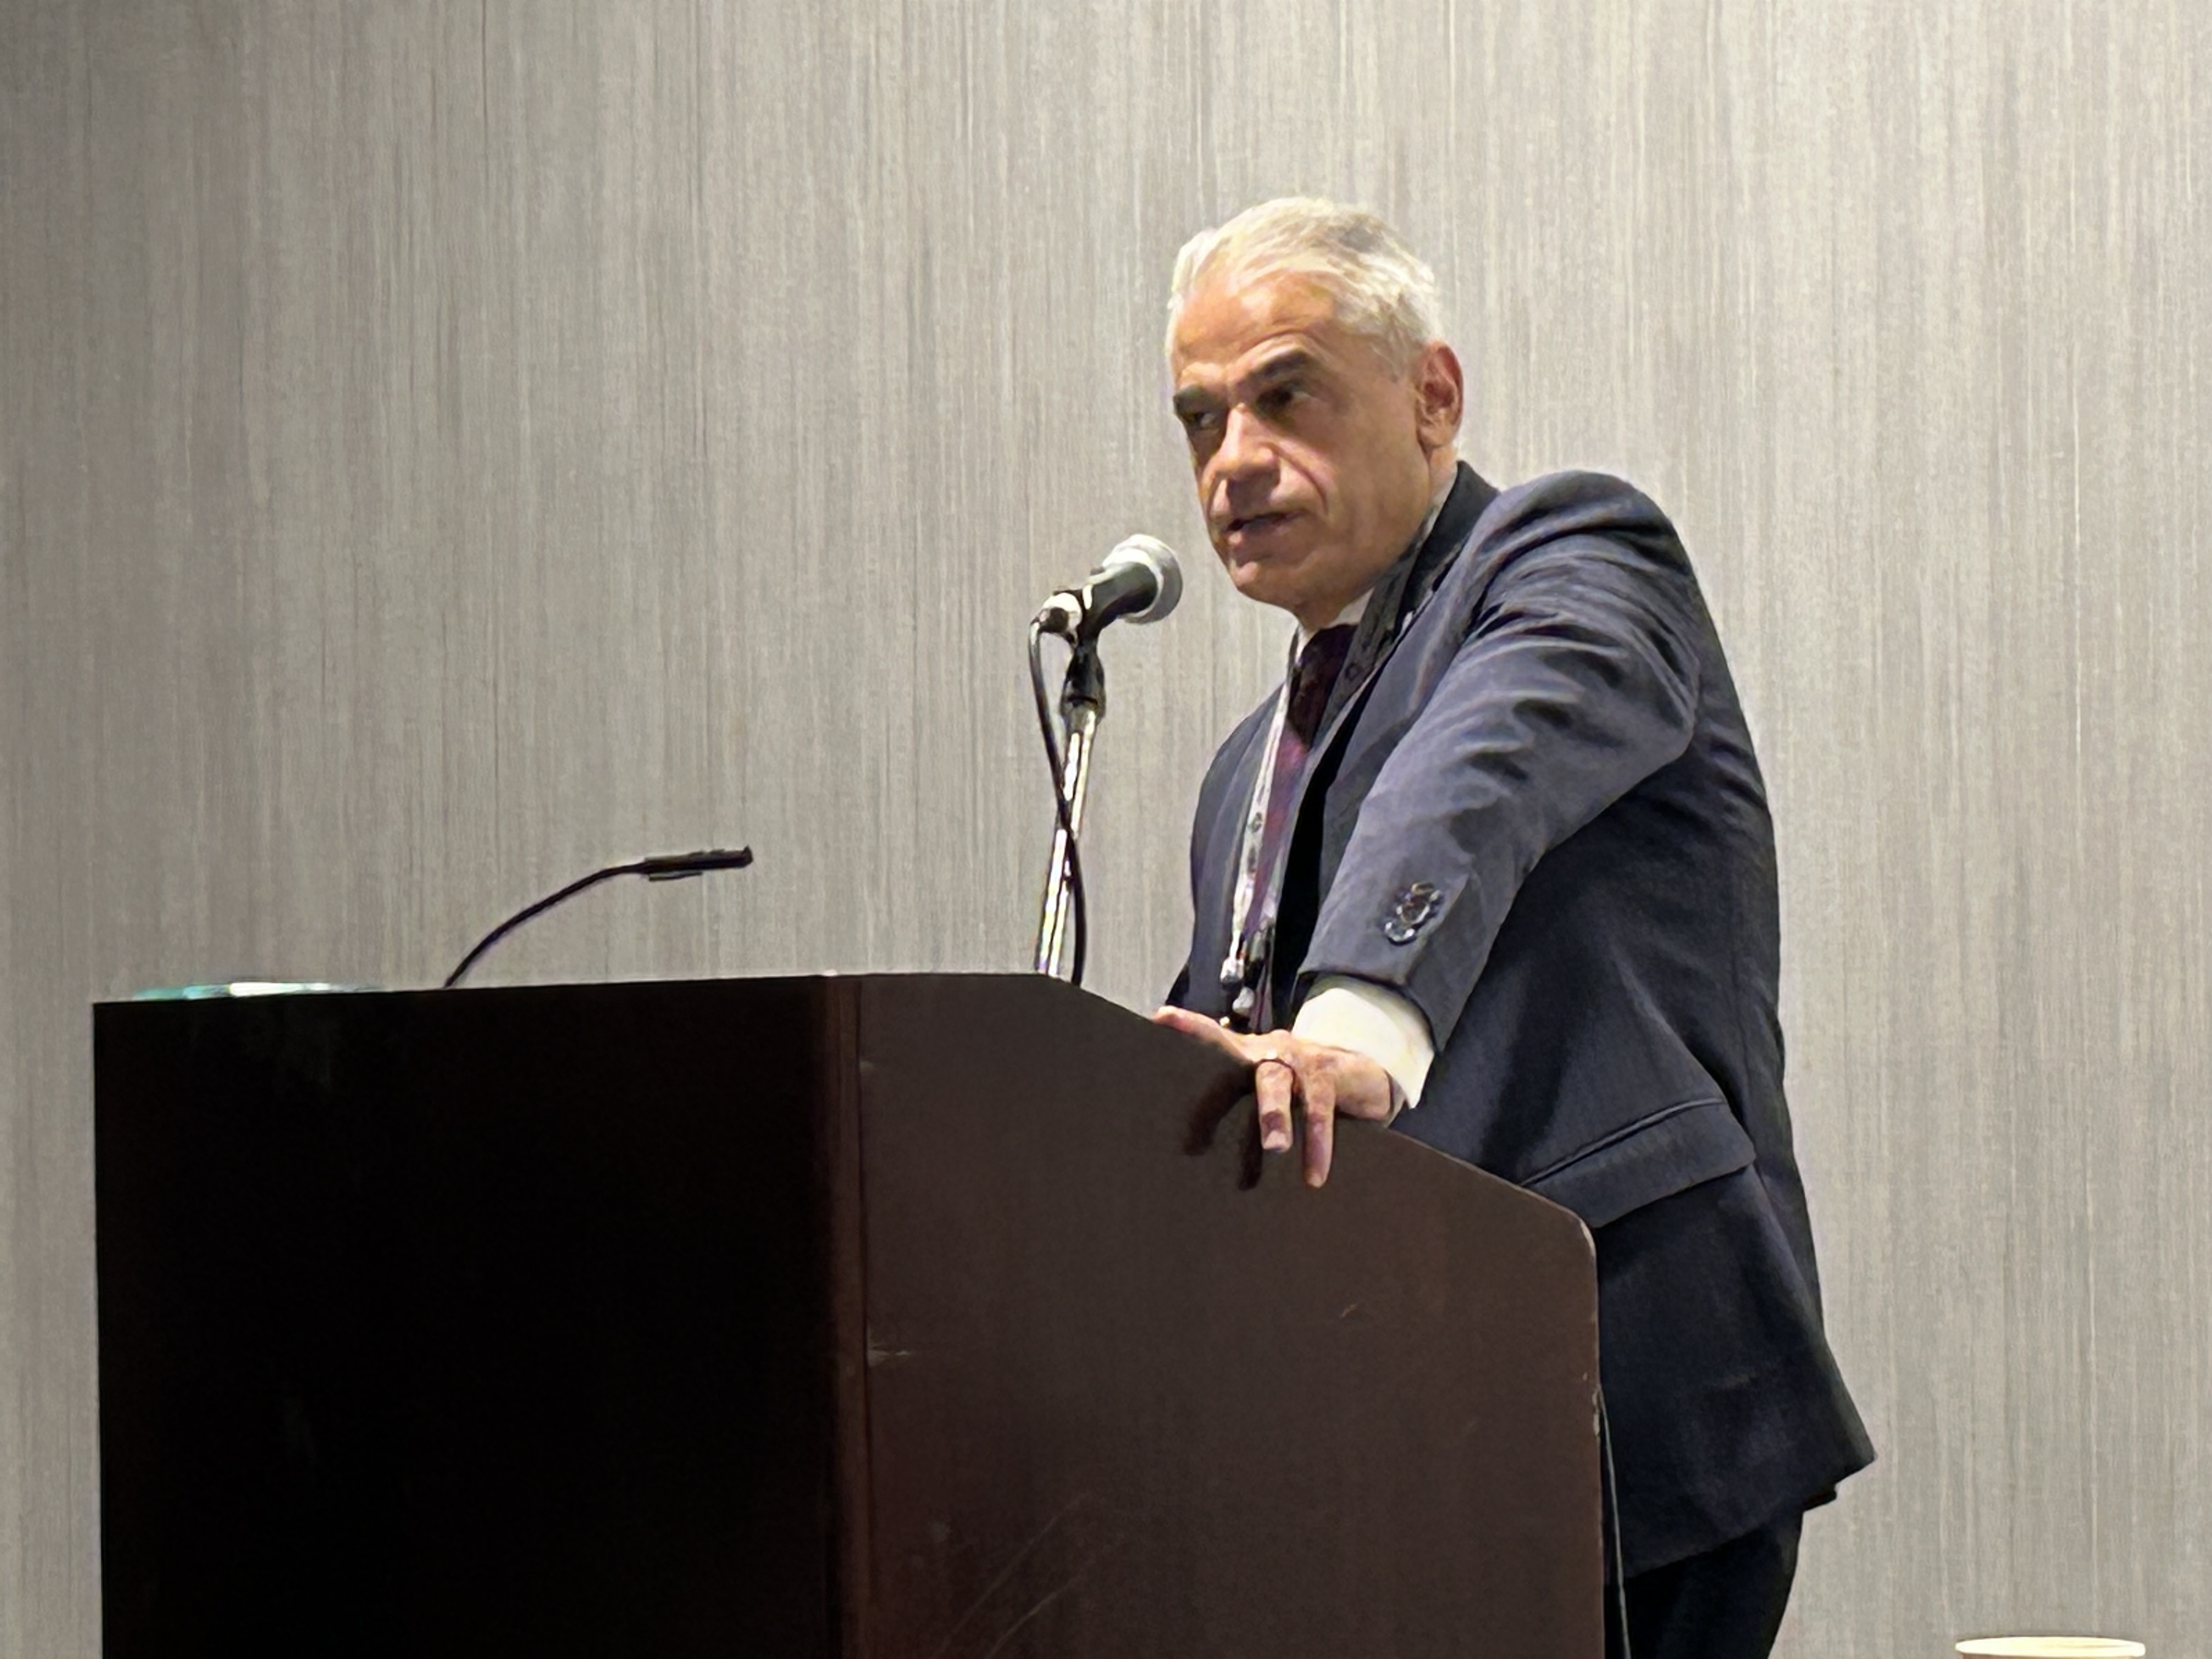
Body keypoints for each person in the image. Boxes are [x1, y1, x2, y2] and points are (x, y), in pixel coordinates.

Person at [1150, 198, 1874, 1659]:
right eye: (1201, 420)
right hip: (1388, 1436)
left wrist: (1356, 1024)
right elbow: (1237, 1063)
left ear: (1433, 398)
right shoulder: (1249, 766)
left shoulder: (1573, 562)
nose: (1234, 461)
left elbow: (1480, 777)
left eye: (1285, 396)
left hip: (1625, 1393)